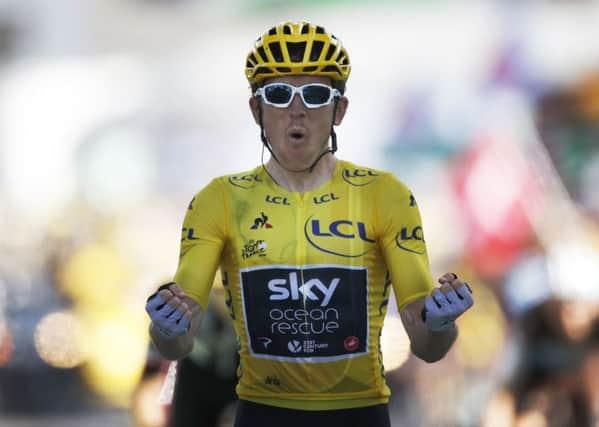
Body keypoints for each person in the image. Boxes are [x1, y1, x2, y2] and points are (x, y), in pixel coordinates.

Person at [145, 21, 474, 427]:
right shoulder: (220, 201)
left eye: (315, 95)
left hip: (360, 412)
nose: (296, 111)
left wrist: (440, 324)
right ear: (256, 110)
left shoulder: (384, 195)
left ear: (340, 110)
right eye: (279, 95)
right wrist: (166, 328)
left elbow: (427, 346)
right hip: (262, 413)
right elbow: (178, 343)